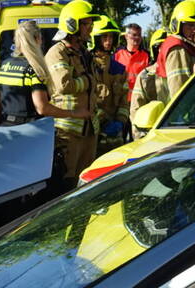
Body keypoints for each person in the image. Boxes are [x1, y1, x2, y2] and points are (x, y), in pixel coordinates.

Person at [45, 0, 101, 186]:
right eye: (86, 24)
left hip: (89, 128)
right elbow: (63, 85)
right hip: (68, 133)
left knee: (86, 183)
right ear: (72, 25)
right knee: (65, 183)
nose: (90, 28)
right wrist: (88, 81)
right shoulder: (57, 52)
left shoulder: (84, 52)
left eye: (91, 24)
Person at [0, 21, 89, 127]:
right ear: (37, 39)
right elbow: (42, 108)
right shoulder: (33, 69)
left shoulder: (4, 66)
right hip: (29, 130)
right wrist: (74, 113)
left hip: (5, 127)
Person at [90, 15, 129, 151]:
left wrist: (120, 121)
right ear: (95, 39)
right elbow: (88, 99)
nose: (108, 41)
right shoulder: (88, 66)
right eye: (104, 37)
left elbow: (124, 99)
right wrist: (104, 121)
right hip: (94, 131)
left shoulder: (119, 69)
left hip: (115, 134)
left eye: (111, 37)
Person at [156, 0, 195, 99]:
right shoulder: (177, 49)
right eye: (190, 25)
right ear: (177, 25)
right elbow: (179, 91)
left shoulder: (187, 45)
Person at [114, 23, 150, 104]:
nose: (137, 38)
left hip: (140, 100)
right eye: (134, 35)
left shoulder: (146, 56)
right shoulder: (117, 55)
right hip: (120, 101)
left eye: (139, 35)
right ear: (126, 36)